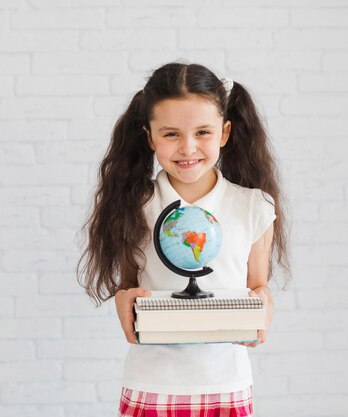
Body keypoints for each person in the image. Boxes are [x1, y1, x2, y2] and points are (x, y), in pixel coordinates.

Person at [76, 61, 291, 416]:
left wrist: (263, 310)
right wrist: (124, 299)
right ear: (149, 136)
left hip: (226, 382)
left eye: (203, 133)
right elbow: (130, 285)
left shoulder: (253, 206)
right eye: (171, 134)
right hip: (152, 380)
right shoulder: (135, 204)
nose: (188, 148)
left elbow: (258, 285)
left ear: (224, 133)